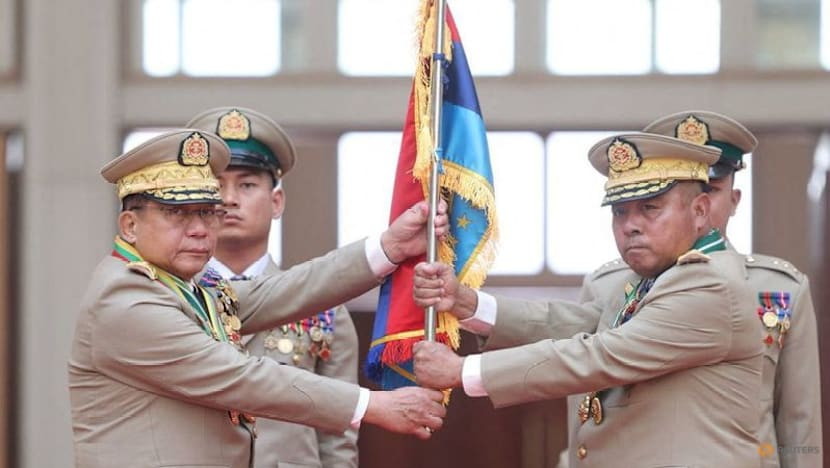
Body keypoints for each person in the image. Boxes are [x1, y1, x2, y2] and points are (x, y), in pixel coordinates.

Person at [68, 129, 448, 468]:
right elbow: (241, 376)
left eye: (207, 212)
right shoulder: (126, 298)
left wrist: (389, 248)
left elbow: (279, 291)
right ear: (130, 226)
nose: (199, 229)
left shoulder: (179, 288)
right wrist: (373, 405)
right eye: (177, 213)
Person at [412, 132, 765, 466]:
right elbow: (578, 325)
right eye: (619, 211)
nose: (631, 225)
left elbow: (601, 353)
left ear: (700, 211)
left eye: (650, 207)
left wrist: (464, 370)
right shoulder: (652, 278)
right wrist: (468, 304)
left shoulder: (709, 284)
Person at [642, 110, 822, 468]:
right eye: (678, 192)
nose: (697, 207)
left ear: (734, 200)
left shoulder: (780, 291)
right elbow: (587, 418)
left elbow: (798, 426)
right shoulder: (614, 287)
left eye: (709, 190)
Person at [187, 106, 360, 468]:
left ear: (276, 201)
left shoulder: (322, 307)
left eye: (247, 185)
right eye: (216, 185)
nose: (229, 199)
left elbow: (338, 434)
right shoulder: (170, 300)